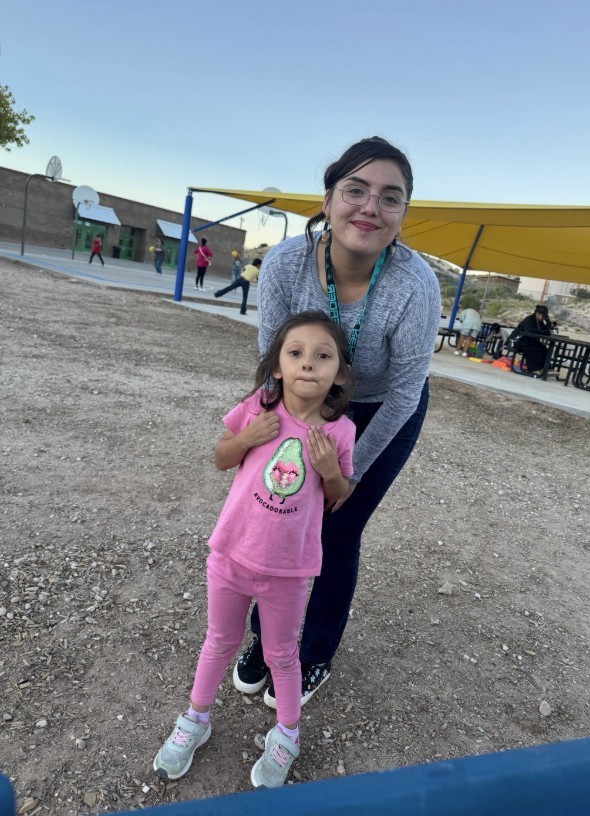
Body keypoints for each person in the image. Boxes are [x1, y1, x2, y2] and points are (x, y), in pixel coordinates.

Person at [233, 136, 441, 707]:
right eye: (356, 190)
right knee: (279, 519)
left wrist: (340, 480)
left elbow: (403, 392)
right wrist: (267, 435)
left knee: (336, 529)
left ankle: (314, 652)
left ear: (402, 215)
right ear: (327, 201)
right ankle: (265, 641)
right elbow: (274, 364)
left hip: (380, 410)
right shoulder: (283, 263)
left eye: (390, 197)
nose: (370, 207)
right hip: (303, 400)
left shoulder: (416, 285)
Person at [153, 311, 356, 788]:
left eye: (322, 356)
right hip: (230, 555)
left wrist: (330, 470)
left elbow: (338, 497)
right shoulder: (258, 408)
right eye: (296, 353)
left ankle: (287, 735)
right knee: (218, 641)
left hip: (289, 570)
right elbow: (222, 457)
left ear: (340, 374)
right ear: (279, 366)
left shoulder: (340, 432)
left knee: (283, 654)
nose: (309, 363)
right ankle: (195, 722)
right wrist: (247, 437)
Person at [511, 304, 552, 374]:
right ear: (537, 313)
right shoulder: (529, 319)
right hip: (519, 341)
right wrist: (545, 332)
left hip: (529, 341)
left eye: (545, 317)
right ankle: (534, 369)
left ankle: (545, 367)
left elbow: (546, 331)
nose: (544, 318)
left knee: (545, 350)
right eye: (543, 316)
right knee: (535, 350)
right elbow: (529, 331)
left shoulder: (540, 322)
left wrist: (548, 321)